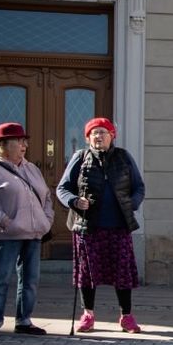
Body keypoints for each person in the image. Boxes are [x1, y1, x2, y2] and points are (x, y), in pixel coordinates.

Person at [57, 117, 145, 333]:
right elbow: (62, 189)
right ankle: (88, 314)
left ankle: (126, 316)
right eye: (93, 133)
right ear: (87, 138)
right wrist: (75, 201)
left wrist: (131, 204)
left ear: (112, 136)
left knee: (122, 273)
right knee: (87, 274)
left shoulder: (124, 157)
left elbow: (139, 187)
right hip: (88, 227)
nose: (98, 136)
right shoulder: (80, 157)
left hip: (118, 226)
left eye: (103, 132)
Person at [0, 122, 54, 340]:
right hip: (6, 235)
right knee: (0, 279)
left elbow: (46, 197)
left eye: (24, 141)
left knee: (30, 279)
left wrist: (46, 221)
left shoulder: (31, 168)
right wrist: (6, 223)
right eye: (18, 141)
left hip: (34, 233)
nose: (23, 145)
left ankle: (24, 321)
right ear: (3, 145)